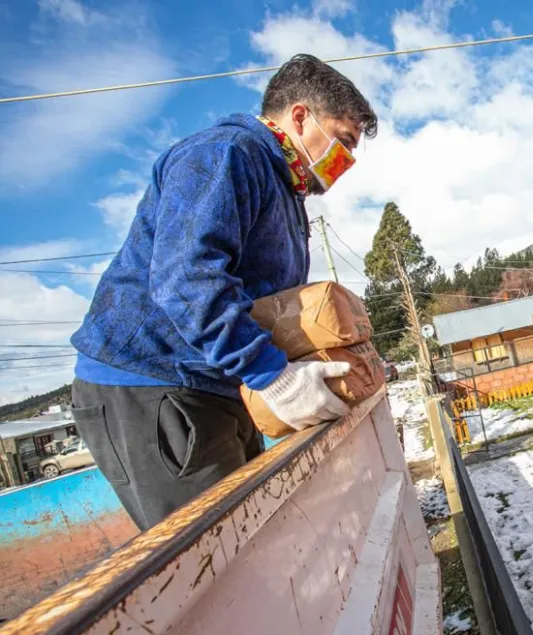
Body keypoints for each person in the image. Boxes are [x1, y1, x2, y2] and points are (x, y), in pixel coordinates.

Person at [69, 54, 378, 531]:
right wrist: (272, 375)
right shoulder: (226, 154)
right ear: (300, 116)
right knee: (219, 546)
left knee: (256, 528)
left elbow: (269, 304)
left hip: (219, 380)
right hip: (153, 383)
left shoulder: (285, 191)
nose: (346, 164)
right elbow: (186, 278)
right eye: (342, 143)